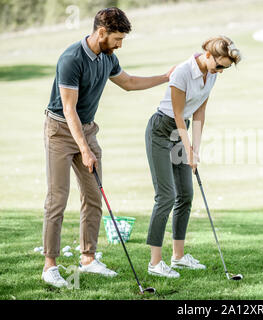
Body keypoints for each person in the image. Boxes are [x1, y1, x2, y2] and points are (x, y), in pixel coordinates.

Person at [42, 7, 175, 288]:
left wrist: (164, 77)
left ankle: (88, 259)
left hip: (86, 129)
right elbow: (68, 109)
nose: (120, 44)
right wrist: (85, 149)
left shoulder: (107, 58)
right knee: (58, 199)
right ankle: (50, 265)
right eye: (117, 38)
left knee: (93, 196)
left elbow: (127, 82)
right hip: (60, 131)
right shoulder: (71, 59)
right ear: (101, 32)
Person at [145, 35, 242, 278]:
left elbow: (199, 113)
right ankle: (155, 263)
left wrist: (195, 148)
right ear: (208, 55)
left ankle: (177, 257)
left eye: (225, 69)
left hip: (182, 132)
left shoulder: (212, 75)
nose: (220, 71)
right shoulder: (182, 72)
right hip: (161, 130)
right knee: (166, 196)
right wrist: (188, 149)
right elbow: (178, 114)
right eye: (219, 65)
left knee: (186, 194)